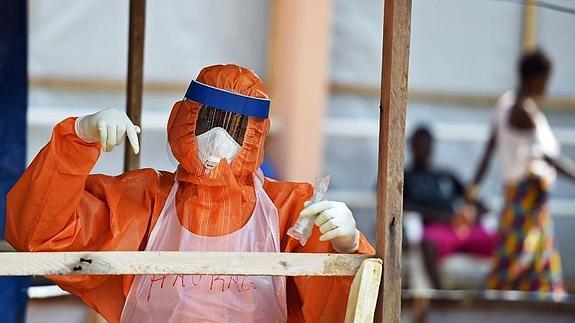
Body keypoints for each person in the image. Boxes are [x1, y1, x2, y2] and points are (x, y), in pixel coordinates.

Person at [6, 64, 374, 323]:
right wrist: (78, 139)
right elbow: (39, 233)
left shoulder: (288, 211)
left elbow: (339, 306)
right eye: (208, 122)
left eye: (236, 128)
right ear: (184, 119)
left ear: (256, 137)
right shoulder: (142, 202)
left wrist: (346, 248)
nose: (218, 138)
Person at [468, 50, 575, 295]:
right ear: (536, 78)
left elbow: (489, 150)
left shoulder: (505, 104)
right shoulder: (521, 110)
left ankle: (540, 306)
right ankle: (485, 304)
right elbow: (549, 157)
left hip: (528, 199)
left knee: (537, 261)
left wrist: (471, 190)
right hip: (525, 197)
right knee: (514, 259)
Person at [404, 126, 496, 289]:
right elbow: (402, 207)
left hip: (463, 227)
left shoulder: (446, 175)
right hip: (436, 230)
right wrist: (441, 217)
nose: (423, 147)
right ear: (411, 145)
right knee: (428, 245)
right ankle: (441, 298)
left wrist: (472, 213)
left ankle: (496, 293)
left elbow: (476, 200)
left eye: (427, 143)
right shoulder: (405, 177)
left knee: (504, 242)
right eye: (419, 143)